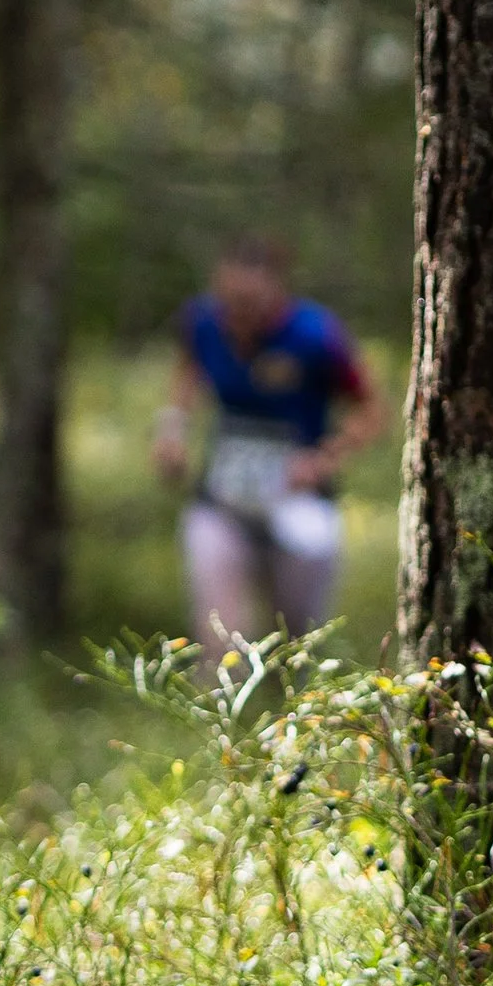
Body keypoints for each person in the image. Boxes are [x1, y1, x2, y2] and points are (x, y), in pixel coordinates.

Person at [153, 232, 386, 671]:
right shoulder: (203, 323)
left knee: (297, 637)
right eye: (230, 302)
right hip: (221, 501)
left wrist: (325, 458)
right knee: (221, 632)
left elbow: (373, 409)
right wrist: (172, 432)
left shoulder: (317, 335)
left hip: (299, 504)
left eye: (250, 304)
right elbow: (187, 373)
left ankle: (293, 721)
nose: (238, 316)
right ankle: (220, 727)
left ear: (277, 290)